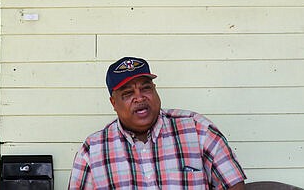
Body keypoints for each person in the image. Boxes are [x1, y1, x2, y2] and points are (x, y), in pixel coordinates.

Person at [69, 56, 247, 189]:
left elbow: (234, 185)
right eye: (128, 93)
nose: (139, 97)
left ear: (155, 90)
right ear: (114, 103)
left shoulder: (197, 129)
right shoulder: (93, 151)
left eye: (146, 88)